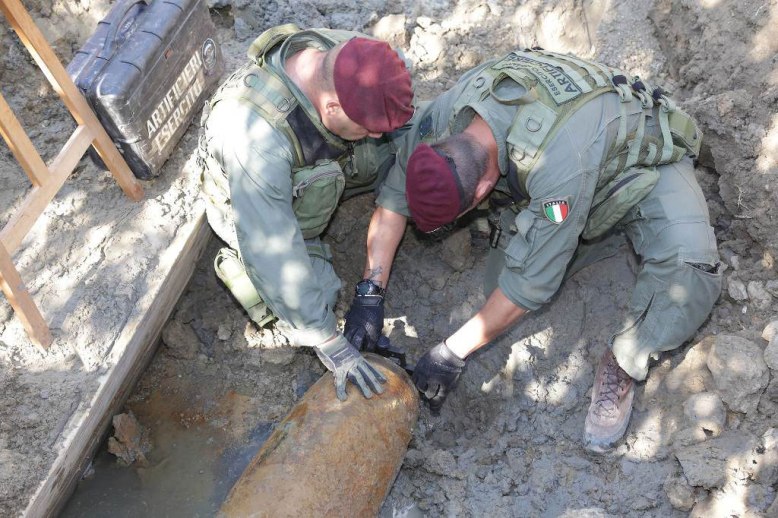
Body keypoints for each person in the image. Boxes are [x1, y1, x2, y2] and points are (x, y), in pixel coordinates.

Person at [345, 48, 722, 451]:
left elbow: (527, 289)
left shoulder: (557, 165)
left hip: (638, 162)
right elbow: (392, 204)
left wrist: (449, 354)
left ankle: (624, 360)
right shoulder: (443, 120)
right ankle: (580, 243)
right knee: (498, 285)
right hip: (562, 166)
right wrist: (370, 293)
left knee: (690, 270)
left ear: (484, 191)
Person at [198, 24, 414, 402]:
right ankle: (243, 267)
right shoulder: (253, 140)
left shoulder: (347, 58)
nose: (376, 134)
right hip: (259, 205)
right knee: (317, 297)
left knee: (411, 143)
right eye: (367, 127)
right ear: (332, 107)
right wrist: (329, 340)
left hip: (321, 164)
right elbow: (273, 246)